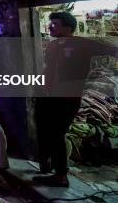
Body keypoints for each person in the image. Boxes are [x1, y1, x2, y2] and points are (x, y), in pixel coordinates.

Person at [33, 12, 117, 187]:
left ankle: (61, 175)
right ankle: (47, 163)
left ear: (67, 27)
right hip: (48, 96)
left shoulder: (82, 43)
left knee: (56, 134)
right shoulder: (53, 44)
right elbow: (50, 70)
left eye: (55, 24)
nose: (50, 27)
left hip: (66, 98)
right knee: (44, 129)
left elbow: (111, 49)